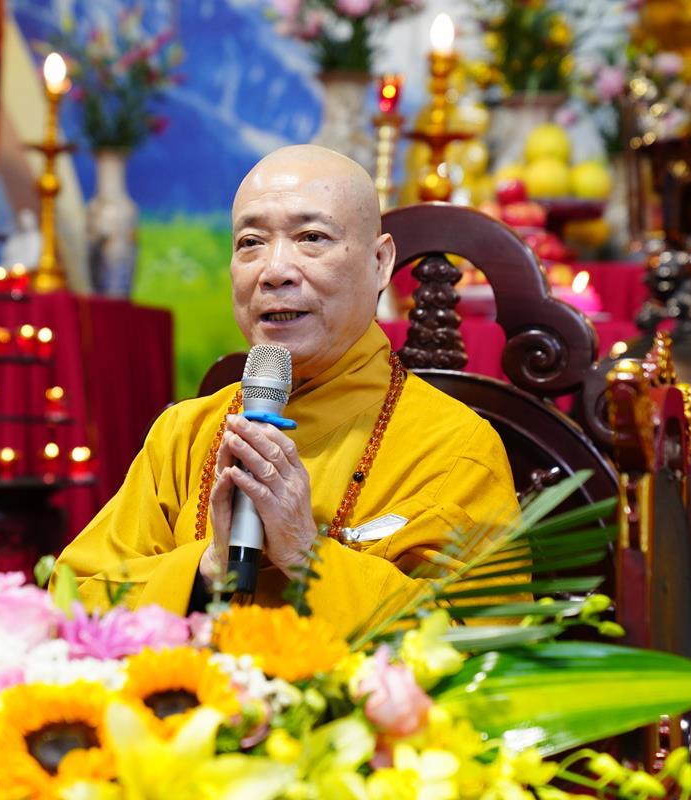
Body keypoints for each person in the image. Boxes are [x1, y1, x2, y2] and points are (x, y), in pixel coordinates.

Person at [54, 145, 519, 636]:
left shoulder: (455, 448)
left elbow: (483, 640)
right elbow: (72, 602)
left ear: (380, 262)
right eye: (251, 242)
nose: (274, 271)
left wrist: (305, 552)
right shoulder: (183, 435)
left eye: (311, 237)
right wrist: (208, 569)